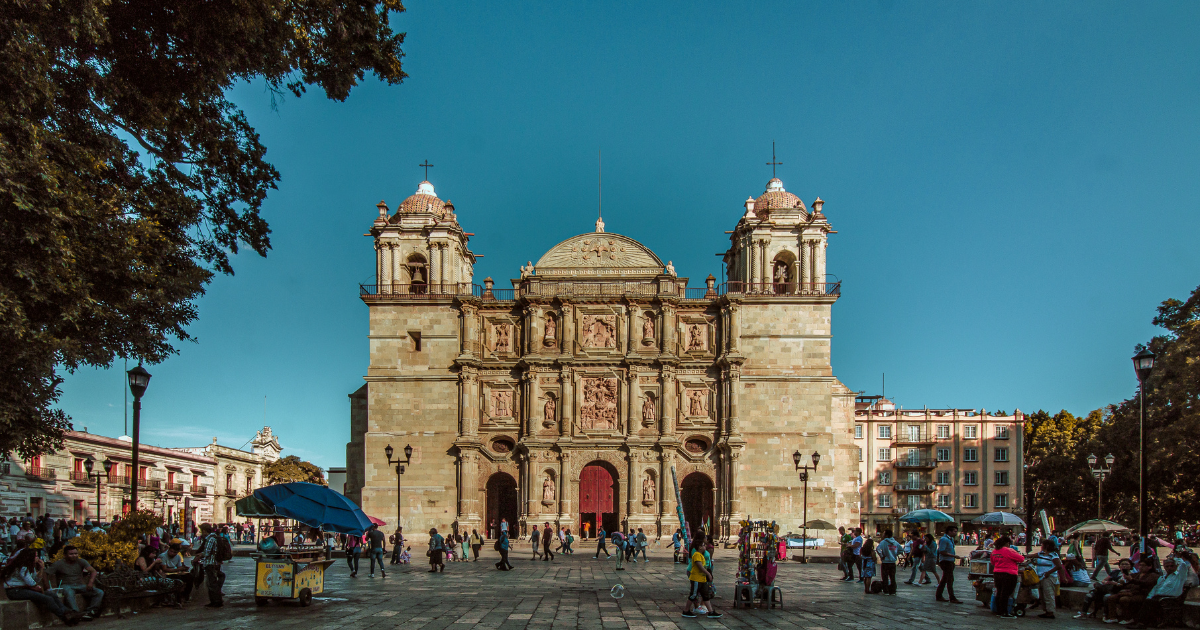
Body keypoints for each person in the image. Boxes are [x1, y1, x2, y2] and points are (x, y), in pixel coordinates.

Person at [2, 548, 80, 625]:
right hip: (15, 591)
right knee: (47, 598)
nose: (37, 558)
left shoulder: (30, 567)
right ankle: (64, 617)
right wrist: (38, 587)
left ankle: (67, 612)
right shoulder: (22, 567)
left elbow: (36, 580)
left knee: (52, 595)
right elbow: (31, 583)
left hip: (25, 589)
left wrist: (42, 568)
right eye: (36, 556)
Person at [1127, 556, 1194, 628]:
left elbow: (1183, 565)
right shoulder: (1162, 577)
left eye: (1172, 566)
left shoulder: (1179, 576)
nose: (1169, 568)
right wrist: (1149, 597)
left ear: (1175, 566)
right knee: (1145, 600)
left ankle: (1142, 623)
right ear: (1164, 567)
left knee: (1150, 602)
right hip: (1158, 597)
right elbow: (1155, 589)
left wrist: (1175, 559)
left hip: (1172, 598)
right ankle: (1139, 621)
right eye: (1167, 566)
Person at [46, 545, 104, 620]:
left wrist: (90, 583)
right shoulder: (58, 564)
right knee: (69, 593)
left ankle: (89, 612)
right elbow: (46, 573)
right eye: (71, 554)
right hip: (66, 585)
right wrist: (47, 587)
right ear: (65, 555)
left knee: (99, 592)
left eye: (76, 553)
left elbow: (93, 571)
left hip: (80, 585)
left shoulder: (81, 561)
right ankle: (76, 613)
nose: (74, 556)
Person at [1104, 558, 1159, 623]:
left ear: (1149, 567)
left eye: (1143, 565)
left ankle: (1128, 618)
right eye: (1140, 565)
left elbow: (1145, 584)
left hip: (1141, 594)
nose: (1141, 567)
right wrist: (1123, 584)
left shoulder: (1153, 575)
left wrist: (1131, 581)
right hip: (1130, 592)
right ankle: (1112, 617)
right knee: (1111, 598)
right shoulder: (1137, 574)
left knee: (1124, 599)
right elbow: (1129, 585)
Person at [681, 538, 721, 618]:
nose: (705, 547)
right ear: (699, 547)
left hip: (702, 579)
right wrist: (708, 574)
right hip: (696, 579)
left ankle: (711, 611)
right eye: (703, 545)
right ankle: (686, 610)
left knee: (705, 595)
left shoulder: (701, 555)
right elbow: (700, 567)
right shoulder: (696, 555)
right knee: (693, 595)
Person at [990, 535, 1023, 618]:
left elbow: (993, 562)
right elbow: (1021, 559)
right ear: (1008, 543)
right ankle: (1004, 612)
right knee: (1006, 593)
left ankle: (999, 611)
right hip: (1009, 574)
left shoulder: (994, 551)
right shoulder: (1009, 551)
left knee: (999, 592)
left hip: (997, 573)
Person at [1028, 539, 1062, 618]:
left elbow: (1059, 566)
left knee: (1048, 594)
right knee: (1043, 594)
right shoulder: (1041, 554)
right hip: (1041, 576)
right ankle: (1046, 610)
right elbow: (1033, 556)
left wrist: (1048, 572)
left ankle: (1050, 611)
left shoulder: (1053, 555)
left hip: (1049, 577)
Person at [196, 523, 226, 608]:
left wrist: (199, 555)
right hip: (214, 563)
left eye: (202, 531)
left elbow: (207, 552)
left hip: (210, 563)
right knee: (212, 582)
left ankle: (216, 601)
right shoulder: (215, 537)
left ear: (205, 531)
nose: (202, 533)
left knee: (212, 583)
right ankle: (214, 600)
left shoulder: (210, 539)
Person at [935, 526, 963, 603]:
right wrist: (954, 556)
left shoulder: (951, 539)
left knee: (946, 579)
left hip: (950, 561)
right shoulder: (944, 539)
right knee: (948, 579)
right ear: (949, 531)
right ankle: (951, 597)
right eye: (954, 531)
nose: (955, 533)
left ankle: (940, 595)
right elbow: (942, 551)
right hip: (946, 561)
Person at [876, 530, 900, 595]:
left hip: (885, 562)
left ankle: (886, 590)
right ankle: (893, 590)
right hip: (892, 561)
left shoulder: (883, 542)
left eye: (883, 534)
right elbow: (901, 549)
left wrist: (882, 555)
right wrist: (895, 554)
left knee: (885, 576)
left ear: (886, 535)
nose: (883, 535)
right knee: (892, 577)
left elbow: (878, 549)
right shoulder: (895, 542)